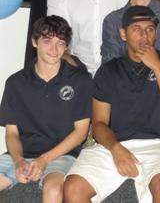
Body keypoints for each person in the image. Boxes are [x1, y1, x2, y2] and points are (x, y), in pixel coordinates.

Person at [63, 6, 160, 203]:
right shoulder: (109, 71)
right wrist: (115, 148)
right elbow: (99, 124)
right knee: (73, 186)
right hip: (117, 144)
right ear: (123, 34)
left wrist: (157, 66)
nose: (144, 35)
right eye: (136, 29)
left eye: (149, 29)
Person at [0, 16, 92, 203]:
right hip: (20, 155)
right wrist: (19, 162)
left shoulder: (80, 80)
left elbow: (81, 133)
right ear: (35, 42)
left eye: (61, 43)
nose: (54, 49)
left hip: (61, 155)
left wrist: (43, 160)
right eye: (48, 41)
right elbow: (12, 133)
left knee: (53, 189)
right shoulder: (16, 82)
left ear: (66, 46)